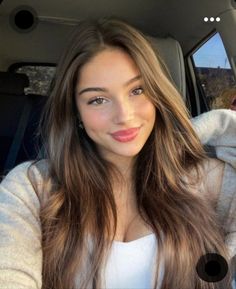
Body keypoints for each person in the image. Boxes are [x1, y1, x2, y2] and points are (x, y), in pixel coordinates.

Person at [0, 17, 235, 289]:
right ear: (76, 111)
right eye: (97, 99)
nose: (124, 116)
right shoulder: (32, 188)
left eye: (138, 90)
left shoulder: (213, 181)